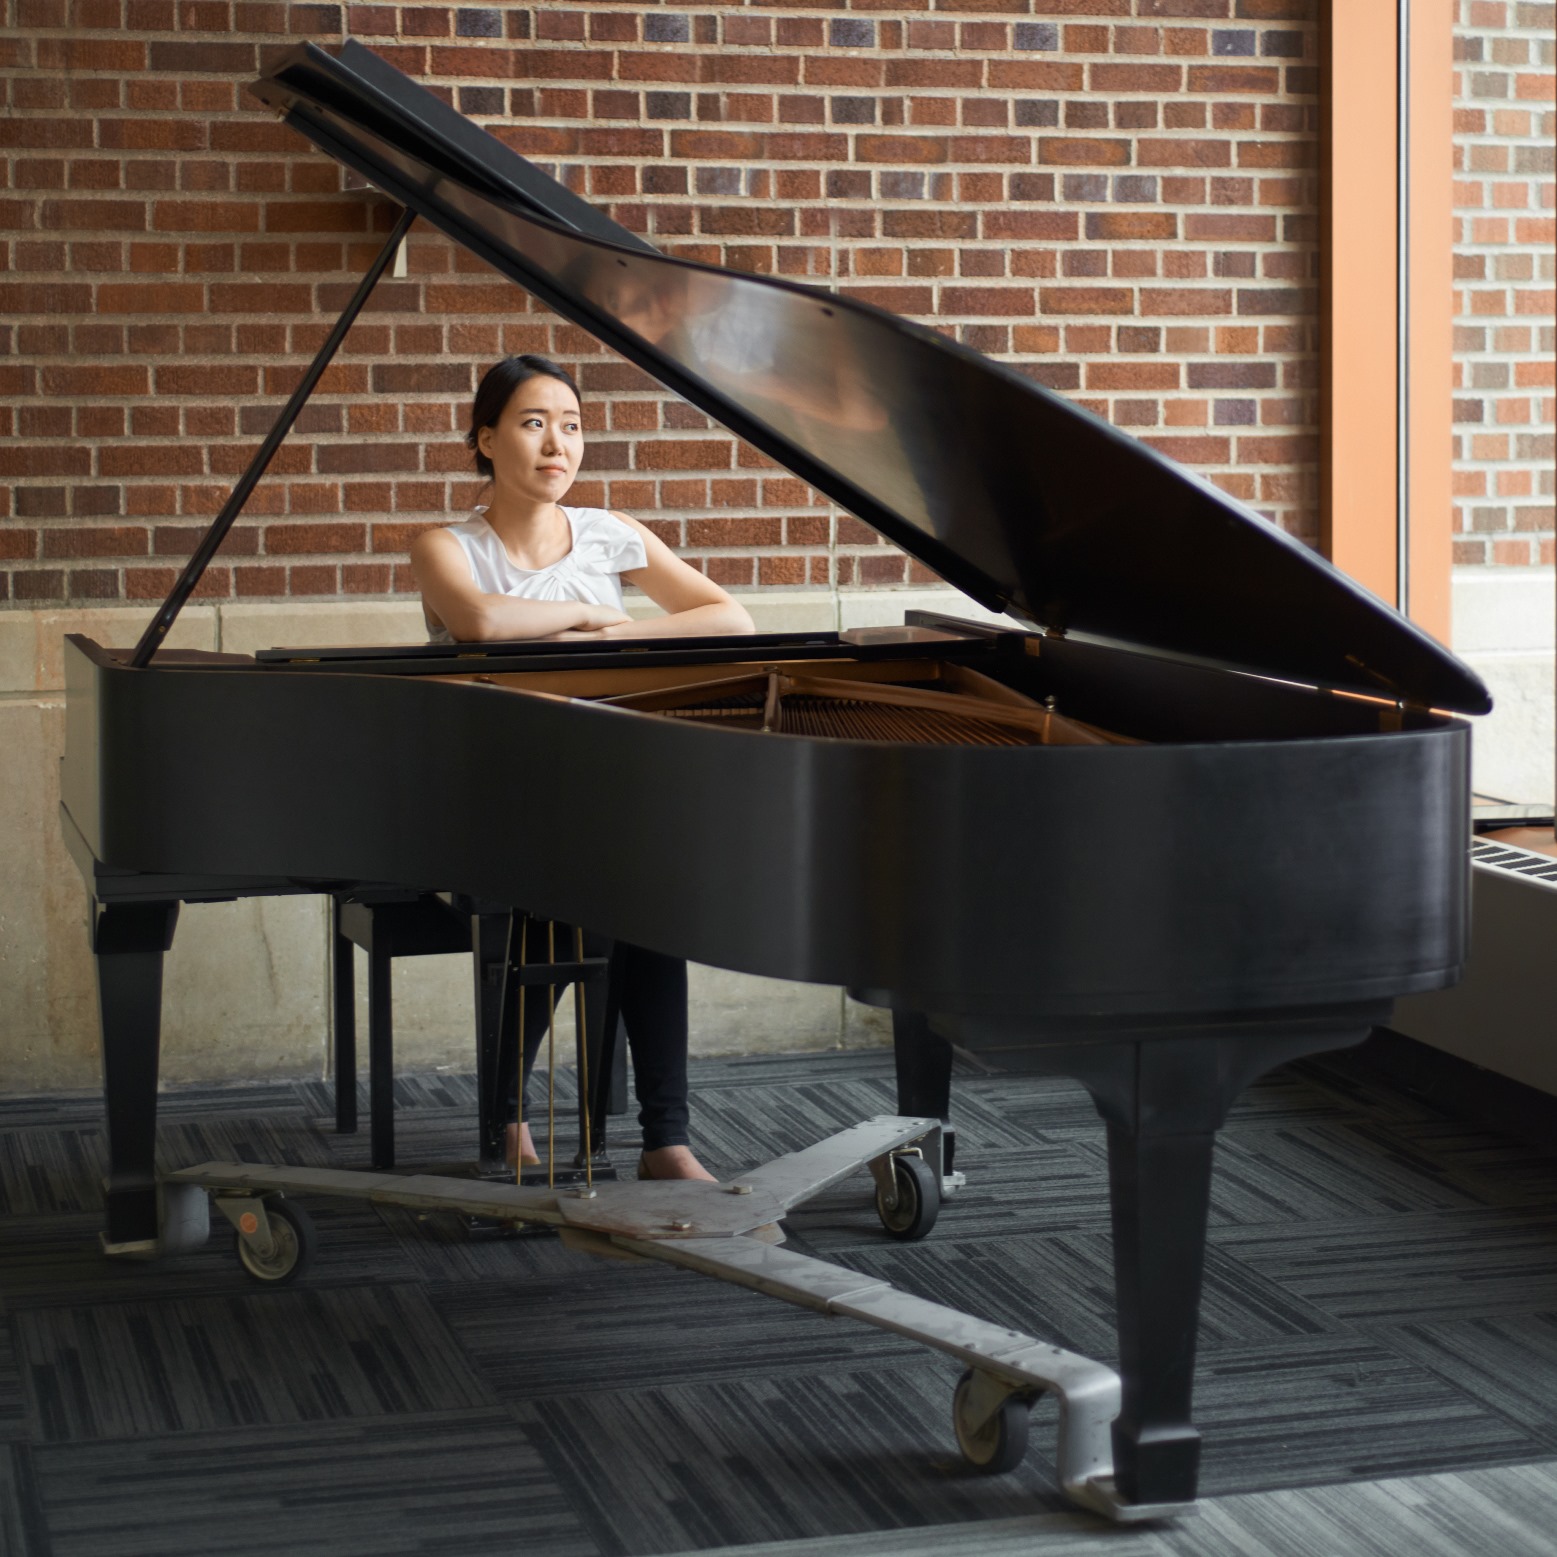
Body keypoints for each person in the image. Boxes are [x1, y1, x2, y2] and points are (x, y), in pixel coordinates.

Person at [411, 355, 754, 1182]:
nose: (556, 443)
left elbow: (730, 618)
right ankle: (513, 1115)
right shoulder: (445, 545)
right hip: (491, 795)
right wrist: (590, 606)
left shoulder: (610, 533)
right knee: (606, 891)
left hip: (606, 782)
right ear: (486, 439)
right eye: (532, 423)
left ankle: (665, 1139)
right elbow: (484, 620)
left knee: (647, 897)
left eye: (570, 424)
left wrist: (609, 640)